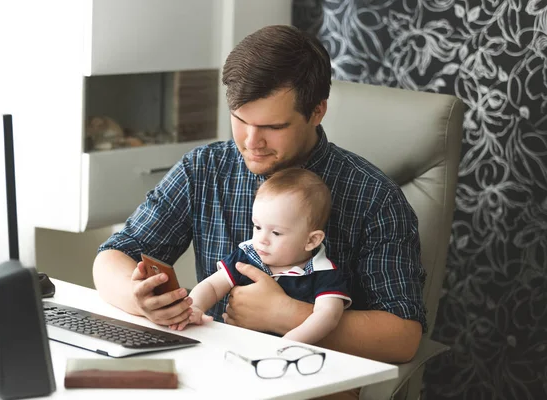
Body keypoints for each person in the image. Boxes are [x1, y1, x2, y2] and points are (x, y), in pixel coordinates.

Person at [93, 24, 426, 382]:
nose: (252, 142)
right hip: (213, 370)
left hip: (311, 378)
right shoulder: (204, 169)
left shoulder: (373, 195)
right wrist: (140, 300)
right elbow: (113, 256)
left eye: (272, 127)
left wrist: (285, 314)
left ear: (317, 112)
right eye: (240, 120)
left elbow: (403, 337)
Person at [168, 168, 351, 345]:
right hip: (236, 347)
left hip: (290, 358)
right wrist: (196, 307)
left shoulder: (324, 273)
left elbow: (327, 316)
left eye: (276, 233)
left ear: (311, 240)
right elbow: (212, 286)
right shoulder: (248, 255)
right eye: (257, 227)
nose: (262, 239)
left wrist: (290, 342)